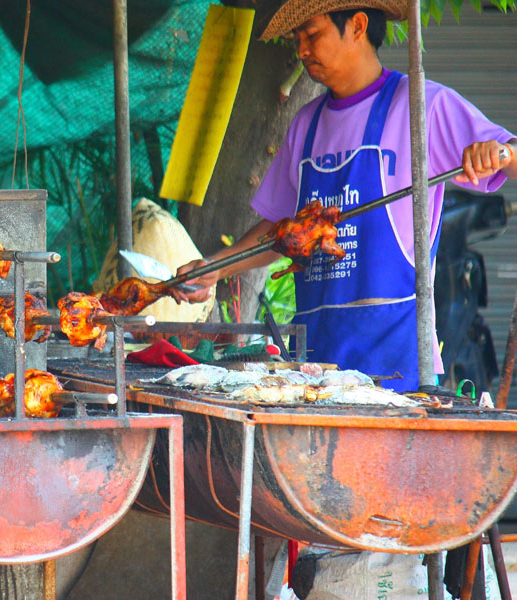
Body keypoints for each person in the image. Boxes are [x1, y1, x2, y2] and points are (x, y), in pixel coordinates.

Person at [173, 0, 517, 391]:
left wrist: (500, 152)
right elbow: (281, 230)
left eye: (312, 34)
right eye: (297, 38)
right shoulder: (305, 124)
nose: (302, 49)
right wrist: (214, 268)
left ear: (356, 25)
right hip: (314, 371)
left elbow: (512, 158)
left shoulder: (422, 104)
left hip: (396, 369)